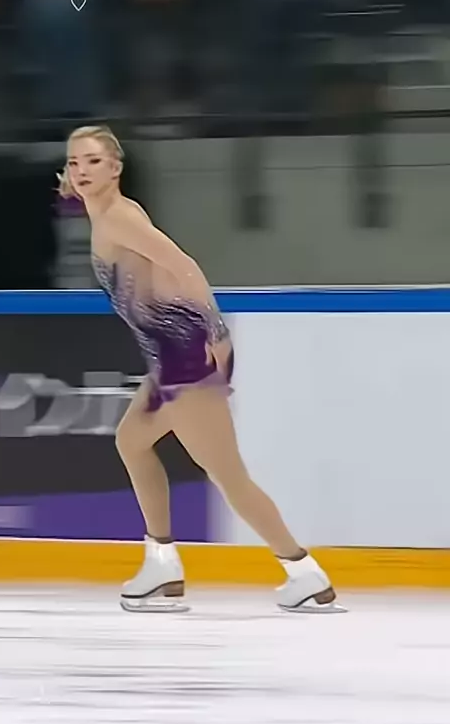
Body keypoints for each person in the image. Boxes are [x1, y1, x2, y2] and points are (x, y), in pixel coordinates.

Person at [58, 124, 346, 615]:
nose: (82, 170)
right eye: (74, 162)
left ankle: (303, 572)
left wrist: (216, 329)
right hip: (168, 359)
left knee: (227, 475)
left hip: (185, 360)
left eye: (93, 161)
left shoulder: (120, 218)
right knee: (132, 441)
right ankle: (162, 564)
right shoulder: (109, 216)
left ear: (115, 168)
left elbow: (184, 265)